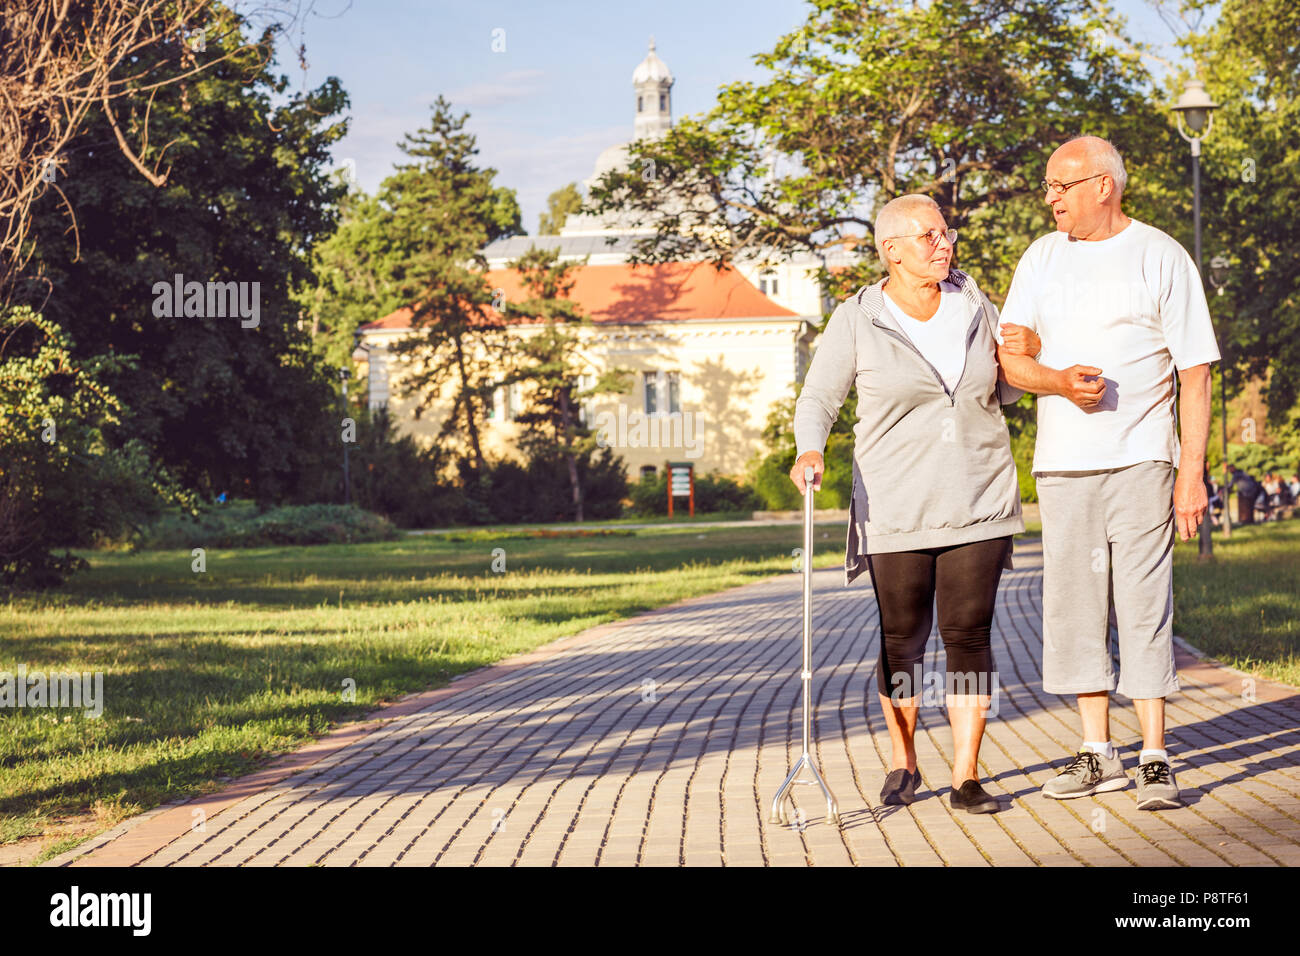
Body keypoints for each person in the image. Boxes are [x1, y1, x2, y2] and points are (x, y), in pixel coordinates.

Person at [790, 194, 1041, 814]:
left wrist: (1031, 353)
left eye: (946, 232)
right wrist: (808, 451)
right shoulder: (857, 317)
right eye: (928, 236)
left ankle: (966, 775)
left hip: (978, 495)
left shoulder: (976, 303)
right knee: (902, 640)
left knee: (970, 635)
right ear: (891, 249)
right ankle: (903, 760)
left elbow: (1007, 387)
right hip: (895, 505)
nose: (943, 243)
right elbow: (820, 396)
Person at [996, 136, 1220, 811]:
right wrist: (1059, 382)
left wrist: (1191, 472)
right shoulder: (1039, 259)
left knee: (1143, 600)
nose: (1050, 199)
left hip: (1142, 456)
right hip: (1064, 465)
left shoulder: (1160, 255)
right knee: (1075, 606)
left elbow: (1196, 372)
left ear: (1103, 186)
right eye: (1048, 187)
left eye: (1061, 186)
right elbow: (1012, 362)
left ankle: (1154, 754)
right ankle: (1099, 752)